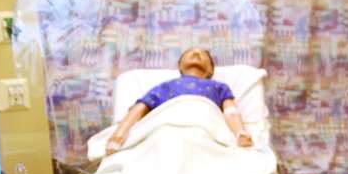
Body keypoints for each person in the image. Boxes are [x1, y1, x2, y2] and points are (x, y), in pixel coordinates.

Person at [103, 48, 253, 153]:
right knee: (164, 140)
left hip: (205, 127)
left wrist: (240, 132)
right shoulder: (164, 86)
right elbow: (140, 108)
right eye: (190, 53)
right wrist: (120, 133)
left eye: (202, 54)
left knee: (203, 143)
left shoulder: (219, 87)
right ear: (180, 66)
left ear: (210, 70)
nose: (196, 53)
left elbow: (231, 111)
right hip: (166, 127)